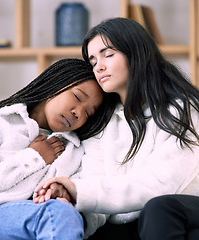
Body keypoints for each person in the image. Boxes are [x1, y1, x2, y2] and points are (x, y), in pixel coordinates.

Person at [33, 17, 199, 239]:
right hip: (137, 219)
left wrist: (79, 190)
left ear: (136, 53)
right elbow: (95, 188)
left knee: (159, 209)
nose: (99, 66)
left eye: (108, 55)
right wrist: (72, 204)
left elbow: (162, 184)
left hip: (181, 207)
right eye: (93, 61)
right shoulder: (103, 125)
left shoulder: (179, 109)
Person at [0, 58, 118, 240]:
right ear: (56, 84)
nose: (78, 113)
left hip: (54, 220)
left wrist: (68, 194)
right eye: (78, 97)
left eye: (88, 113)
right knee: (55, 214)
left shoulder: (76, 150)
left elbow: (97, 203)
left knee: (60, 212)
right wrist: (33, 158)